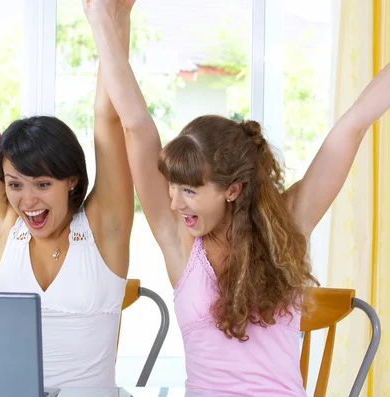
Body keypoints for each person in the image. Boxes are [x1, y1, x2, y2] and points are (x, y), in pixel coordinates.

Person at [84, 0, 390, 395]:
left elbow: (351, 127)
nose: (174, 203)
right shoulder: (180, 240)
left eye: (190, 191)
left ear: (232, 190)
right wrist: (99, 17)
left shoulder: (287, 223)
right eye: (173, 188)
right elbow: (136, 127)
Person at [0, 0, 135, 388]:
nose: (27, 201)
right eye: (15, 185)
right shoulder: (4, 228)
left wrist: (117, 15)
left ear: (71, 181)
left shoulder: (103, 228)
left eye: (43, 185)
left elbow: (109, 118)